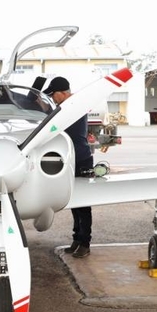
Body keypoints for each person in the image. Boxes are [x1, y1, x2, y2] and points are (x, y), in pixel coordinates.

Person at [43, 77, 93, 258]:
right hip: (70, 158)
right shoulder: (67, 106)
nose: (53, 99)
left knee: (83, 204)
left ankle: (85, 243)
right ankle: (77, 239)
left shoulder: (74, 105)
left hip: (80, 159)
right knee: (73, 202)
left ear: (63, 92)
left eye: (54, 95)